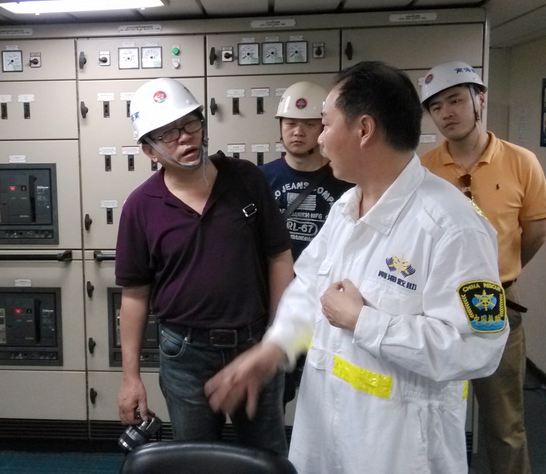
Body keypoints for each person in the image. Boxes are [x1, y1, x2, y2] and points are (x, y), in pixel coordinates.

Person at [204, 61, 509, 473]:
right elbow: (309, 287)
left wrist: (365, 322)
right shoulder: (347, 207)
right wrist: (274, 348)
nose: (320, 138)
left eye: (326, 124)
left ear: (364, 130)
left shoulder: (451, 226)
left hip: (399, 448)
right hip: (326, 434)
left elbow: (479, 348)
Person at [115, 78, 294, 454]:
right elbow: (134, 295)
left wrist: (276, 336)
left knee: (267, 456)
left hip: (253, 343)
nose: (184, 137)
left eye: (190, 123)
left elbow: (279, 257)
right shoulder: (140, 206)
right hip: (185, 355)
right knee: (195, 459)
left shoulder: (246, 179)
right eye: (167, 134)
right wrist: (131, 377)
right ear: (148, 150)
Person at [419, 60, 546, 474]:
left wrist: (501, 274)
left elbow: (535, 231)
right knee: (431, 414)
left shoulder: (521, 162)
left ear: (480, 101)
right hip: (437, 308)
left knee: (505, 423)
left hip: (496, 303)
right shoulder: (423, 169)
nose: (446, 113)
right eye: (436, 107)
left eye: (456, 100)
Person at [260, 81, 353, 408]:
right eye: (290, 123)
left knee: (325, 399)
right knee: (275, 398)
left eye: (309, 124)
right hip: (276, 306)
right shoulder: (260, 179)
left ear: (323, 128)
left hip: (327, 307)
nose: (297, 132)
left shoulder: (345, 182)